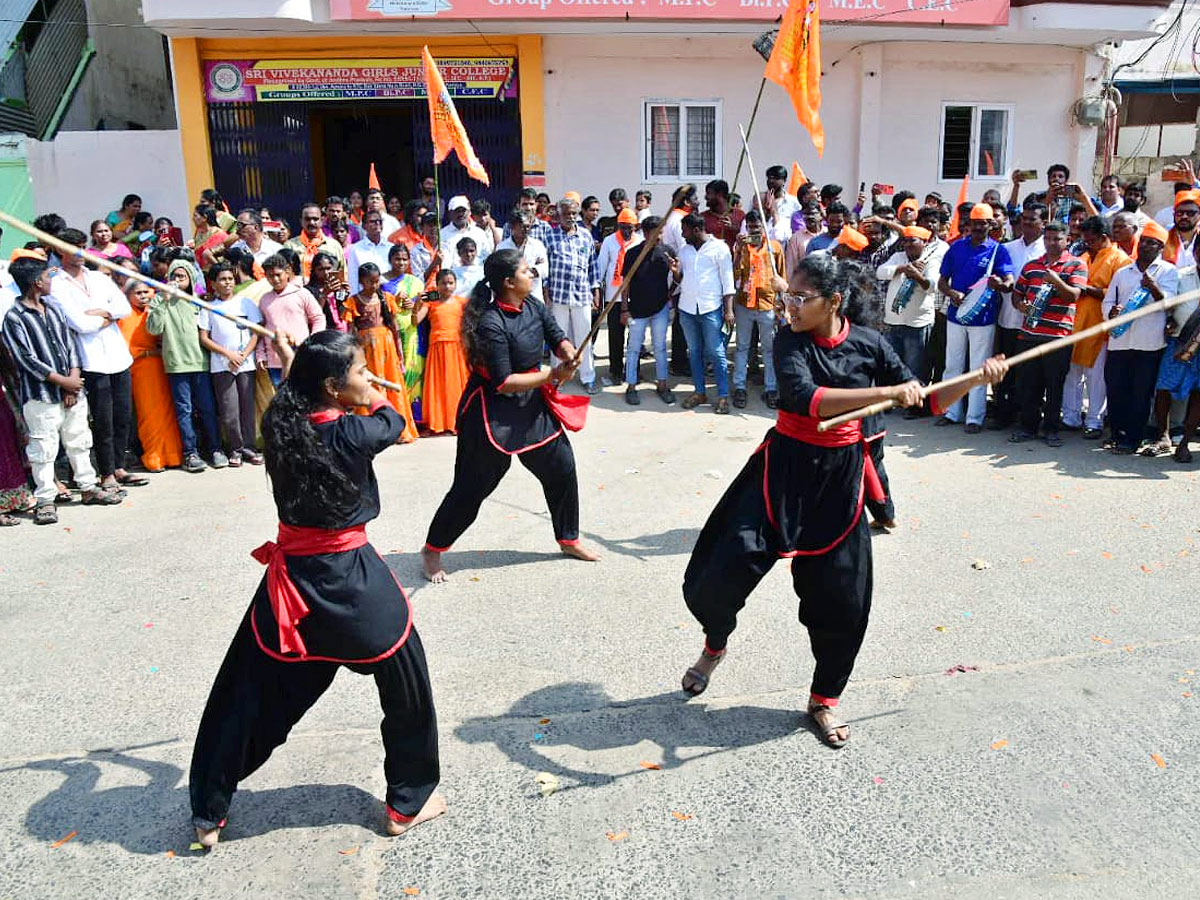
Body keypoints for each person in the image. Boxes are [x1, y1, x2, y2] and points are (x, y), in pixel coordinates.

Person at [678, 253, 1008, 746]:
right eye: (787, 294)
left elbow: (930, 398)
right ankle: (715, 644)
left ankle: (823, 699)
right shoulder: (790, 339)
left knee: (843, 601)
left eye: (800, 297)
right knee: (716, 577)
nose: (788, 304)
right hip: (781, 470)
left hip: (839, 480)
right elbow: (807, 398)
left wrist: (976, 379)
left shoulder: (870, 343)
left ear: (834, 301)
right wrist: (886, 392)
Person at [188, 329, 443, 848]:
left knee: (242, 697)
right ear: (332, 387)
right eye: (359, 371)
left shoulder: (280, 425)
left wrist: (296, 366)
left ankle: (209, 811)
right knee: (407, 685)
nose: (368, 376)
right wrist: (375, 393)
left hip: (291, 593)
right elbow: (391, 420)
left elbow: (297, 401)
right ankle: (406, 803)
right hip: (353, 585)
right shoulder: (355, 434)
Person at [422, 249, 599, 583]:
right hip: (491, 410)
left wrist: (569, 354)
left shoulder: (532, 304)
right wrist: (552, 375)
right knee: (473, 486)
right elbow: (504, 382)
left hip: (530, 404)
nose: (530, 272)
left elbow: (556, 336)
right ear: (507, 282)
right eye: (523, 270)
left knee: (561, 465)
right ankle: (433, 548)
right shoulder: (491, 323)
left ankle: (568, 538)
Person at [2, 256, 122, 524]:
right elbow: (25, 359)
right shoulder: (14, 317)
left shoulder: (54, 309)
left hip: (71, 390)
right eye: (48, 277)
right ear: (36, 283)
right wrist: (62, 381)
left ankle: (88, 487)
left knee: (79, 439)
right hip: (40, 396)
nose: (51, 281)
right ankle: (45, 499)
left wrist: (73, 380)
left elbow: (70, 347)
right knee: (43, 448)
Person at [49, 228, 145, 495]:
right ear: (59, 249)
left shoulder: (98, 277)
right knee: (102, 418)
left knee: (123, 415)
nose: (80, 252)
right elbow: (79, 323)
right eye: (73, 247)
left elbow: (124, 308)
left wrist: (102, 312)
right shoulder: (57, 284)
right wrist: (107, 316)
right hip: (91, 360)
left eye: (82, 246)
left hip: (117, 355)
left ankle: (119, 466)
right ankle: (105, 472)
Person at [935, 204, 1015, 432]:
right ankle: (951, 412)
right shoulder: (956, 248)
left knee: (978, 368)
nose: (978, 227)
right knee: (952, 366)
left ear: (991, 225)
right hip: (956, 316)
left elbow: (1009, 283)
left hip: (983, 318)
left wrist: (1001, 284)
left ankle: (974, 418)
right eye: (975, 223)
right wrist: (951, 293)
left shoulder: (999, 250)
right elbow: (942, 282)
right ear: (968, 224)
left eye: (983, 223)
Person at [1008, 222, 1087, 446]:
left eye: (1057, 239)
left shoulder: (1076, 265)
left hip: (1058, 336)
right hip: (1029, 334)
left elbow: (1073, 296)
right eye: (1048, 239)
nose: (1051, 243)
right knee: (1028, 384)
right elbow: (1017, 293)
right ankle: (1027, 427)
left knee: (1054, 385)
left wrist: (1056, 280)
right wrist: (1020, 305)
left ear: (1067, 240)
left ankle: (1051, 429)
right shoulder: (1032, 265)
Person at [1101, 223, 1177, 454]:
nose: (1145, 245)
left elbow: (1169, 303)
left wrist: (1154, 289)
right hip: (1120, 342)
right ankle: (1116, 434)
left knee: (1140, 393)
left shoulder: (1167, 272)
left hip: (1148, 343)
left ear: (1161, 247)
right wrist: (1111, 312)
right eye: (1143, 240)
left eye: (1151, 242)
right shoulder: (1123, 272)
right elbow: (1107, 302)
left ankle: (1133, 438)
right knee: (1116, 390)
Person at [148, 260, 226, 472]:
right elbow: (154, 328)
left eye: (182, 276)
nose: (177, 280)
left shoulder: (199, 301)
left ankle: (215, 449)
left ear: (191, 278)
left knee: (208, 408)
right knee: (184, 410)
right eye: (174, 276)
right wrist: (164, 300)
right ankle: (190, 453)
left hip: (201, 363)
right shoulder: (159, 299)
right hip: (176, 365)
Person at [1062, 216, 1132, 438]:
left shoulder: (1120, 260)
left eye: (1090, 240)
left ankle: (1094, 421)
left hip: (1100, 327)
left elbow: (1117, 295)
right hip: (1075, 324)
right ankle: (1070, 417)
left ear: (1104, 238)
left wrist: (1086, 289)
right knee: (1072, 374)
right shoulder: (1083, 257)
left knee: (1096, 377)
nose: (1087, 244)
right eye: (1085, 240)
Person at [343, 262, 419, 444]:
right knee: (368, 385)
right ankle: (371, 432)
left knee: (390, 384)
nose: (374, 285)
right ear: (361, 281)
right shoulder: (353, 301)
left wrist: (400, 354)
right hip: (365, 349)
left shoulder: (386, 298)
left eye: (377, 281)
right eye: (370, 281)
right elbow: (350, 330)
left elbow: (394, 327)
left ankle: (396, 429)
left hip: (386, 347)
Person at [198, 262, 265, 467]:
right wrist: (228, 354)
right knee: (229, 410)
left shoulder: (245, 304)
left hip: (245, 364)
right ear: (213, 284)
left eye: (230, 279)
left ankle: (249, 448)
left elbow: (256, 331)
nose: (227, 283)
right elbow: (204, 338)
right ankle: (235, 449)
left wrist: (244, 355)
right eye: (222, 280)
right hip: (222, 365)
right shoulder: (209, 307)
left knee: (247, 408)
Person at [670, 213, 735, 413]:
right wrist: (675, 272)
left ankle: (723, 396)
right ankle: (700, 392)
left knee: (716, 352)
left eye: (685, 230)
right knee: (695, 352)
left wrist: (729, 311)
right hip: (688, 309)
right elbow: (682, 279)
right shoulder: (685, 250)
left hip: (711, 308)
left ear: (697, 230)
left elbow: (728, 282)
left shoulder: (720, 248)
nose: (682, 234)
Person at [117, 279, 184, 473]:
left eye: (146, 292)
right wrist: (149, 352)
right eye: (138, 293)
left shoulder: (154, 310)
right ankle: (154, 458)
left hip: (162, 367)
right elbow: (129, 347)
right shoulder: (124, 316)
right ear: (128, 296)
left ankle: (173, 456)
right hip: (140, 370)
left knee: (167, 413)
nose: (144, 296)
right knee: (149, 416)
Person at [990, 203, 1047, 428]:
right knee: (1006, 370)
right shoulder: (1008, 248)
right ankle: (1004, 415)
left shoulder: (1048, 250)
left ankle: (1028, 418)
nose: (1026, 223)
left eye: (1032, 219)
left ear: (1043, 223)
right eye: (1023, 218)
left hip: (1035, 324)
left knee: (1030, 374)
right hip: (1007, 319)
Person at [877, 225, 946, 407]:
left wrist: (917, 276)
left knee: (916, 367)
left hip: (917, 323)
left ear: (924, 242)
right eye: (905, 241)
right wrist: (902, 268)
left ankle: (917, 405)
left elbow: (931, 286)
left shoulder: (930, 260)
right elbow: (880, 272)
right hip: (893, 321)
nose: (907, 244)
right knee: (893, 365)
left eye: (912, 240)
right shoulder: (898, 257)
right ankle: (895, 401)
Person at [1146, 256, 1200, 462]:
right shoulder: (1181, 276)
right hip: (1180, 341)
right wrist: (1169, 320)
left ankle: (1185, 442)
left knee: (1198, 393)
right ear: (1195, 252)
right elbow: (1169, 305)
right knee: (1164, 387)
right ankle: (1163, 435)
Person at [545, 197, 601, 394]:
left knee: (584, 337)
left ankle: (588, 377)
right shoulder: (550, 236)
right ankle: (557, 377)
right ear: (559, 215)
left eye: (573, 214)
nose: (570, 217)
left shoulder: (585, 236)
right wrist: (546, 294)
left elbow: (593, 266)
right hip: (558, 296)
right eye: (566, 213)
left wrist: (595, 291)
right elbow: (546, 268)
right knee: (558, 339)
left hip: (581, 295)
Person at [731, 210, 786, 409]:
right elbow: (735, 273)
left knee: (769, 349)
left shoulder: (775, 248)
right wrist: (738, 251)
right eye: (751, 227)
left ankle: (771, 388)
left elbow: (782, 276)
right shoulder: (742, 247)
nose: (754, 231)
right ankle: (739, 387)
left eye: (757, 227)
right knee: (742, 347)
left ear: (764, 227)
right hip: (745, 304)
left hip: (767, 304)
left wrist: (783, 304)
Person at [620, 215, 676, 406]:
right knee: (634, 348)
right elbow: (625, 284)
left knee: (660, 347)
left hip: (660, 308)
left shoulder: (667, 252)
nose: (659, 236)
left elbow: (678, 279)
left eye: (661, 231)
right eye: (655, 232)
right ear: (645, 233)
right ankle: (631, 386)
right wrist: (624, 309)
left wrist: (675, 271)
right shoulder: (633, 253)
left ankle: (662, 384)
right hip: (636, 309)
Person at [412, 269, 469, 434]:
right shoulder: (431, 300)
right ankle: (438, 423)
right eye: (443, 283)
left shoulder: (461, 302)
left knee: (455, 386)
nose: (447, 286)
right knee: (438, 386)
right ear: (437, 285)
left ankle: (457, 422)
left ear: (456, 284)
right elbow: (415, 321)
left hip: (457, 348)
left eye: (451, 283)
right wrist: (417, 303)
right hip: (437, 347)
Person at [257, 254, 325, 388]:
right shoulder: (264, 299)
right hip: (275, 360)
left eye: (278, 274)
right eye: (270, 276)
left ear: (287, 271)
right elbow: (262, 329)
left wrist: (312, 342)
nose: (275, 279)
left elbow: (318, 318)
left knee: (305, 395)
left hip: (301, 356)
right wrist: (261, 354)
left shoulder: (302, 294)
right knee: (284, 398)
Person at [381, 244, 427, 424]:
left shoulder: (415, 282)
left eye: (404, 259)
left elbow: (422, 307)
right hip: (390, 332)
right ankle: (395, 416)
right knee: (393, 371)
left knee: (412, 371)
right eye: (397, 259)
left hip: (413, 332)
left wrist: (414, 306)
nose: (401, 262)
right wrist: (393, 300)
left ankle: (413, 419)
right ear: (390, 260)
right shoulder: (381, 282)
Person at [596, 209, 643, 384]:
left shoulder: (640, 242)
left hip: (635, 296)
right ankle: (615, 370)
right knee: (615, 336)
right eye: (622, 227)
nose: (626, 232)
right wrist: (597, 292)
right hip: (613, 296)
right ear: (618, 226)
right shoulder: (609, 242)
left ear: (635, 227)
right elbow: (601, 268)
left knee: (635, 336)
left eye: (629, 228)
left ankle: (633, 371)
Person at [496, 209, 549, 304]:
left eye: (528, 227)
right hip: (511, 298)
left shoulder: (537, 245)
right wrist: (527, 272)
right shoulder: (502, 247)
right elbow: (499, 272)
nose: (526, 230)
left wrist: (521, 274)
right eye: (522, 226)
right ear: (512, 227)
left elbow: (544, 270)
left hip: (534, 296)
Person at [286, 203, 346, 279]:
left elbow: (343, 273)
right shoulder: (290, 246)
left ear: (322, 220)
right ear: (301, 221)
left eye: (315, 219)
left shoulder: (334, 246)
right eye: (307, 219)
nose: (311, 222)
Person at [345, 210, 394, 295]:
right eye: (373, 221)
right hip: (365, 297)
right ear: (364, 226)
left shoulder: (391, 247)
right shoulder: (356, 249)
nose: (377, 223)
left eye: (380, 221)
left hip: (390, 294)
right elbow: (353, 278)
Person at [306, 251, 350, 333]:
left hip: (342, 329)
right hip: (324, 331)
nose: (326, 273)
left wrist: (346, 295)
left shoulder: (337, 286)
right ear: (314, 271)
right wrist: (324, 294)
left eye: (328, 268)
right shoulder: (308, 291)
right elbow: (313, 315)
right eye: (321, 269)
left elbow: (343, 310)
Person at [440, 196, 490, 264]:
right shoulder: (442, 235)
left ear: (469, 212)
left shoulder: (480, 233)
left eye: (463, 211)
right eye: (457, 211)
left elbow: (487, 256)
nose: (460, 214)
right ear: (450, 213)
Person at [702, 179, 745, 251]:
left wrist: (732, 227)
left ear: (720, 195)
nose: (706, 197)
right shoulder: (703, 217)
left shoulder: (740, 214)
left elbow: (746, 237)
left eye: (709, 193)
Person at [1163, 189, 1200, 267]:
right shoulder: (1163, 239)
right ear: (1174, 215)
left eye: (1190, 213)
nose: (1184, 216)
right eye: (1180, 213)